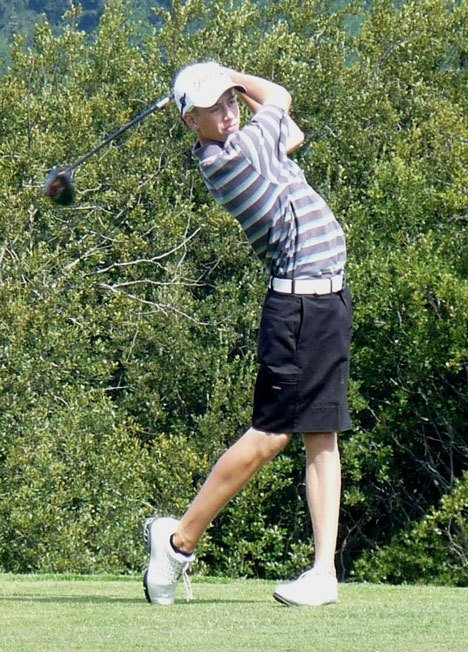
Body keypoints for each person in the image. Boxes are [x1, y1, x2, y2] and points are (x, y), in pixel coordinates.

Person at [142, 61, 352, 607]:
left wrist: (221, 82)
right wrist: (228, 70)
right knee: (270, 436)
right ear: (192, 123)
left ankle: (323, 576)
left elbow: (291, 131)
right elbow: (281, 98)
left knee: (321, 435)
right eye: (214, 107)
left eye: (232, 100)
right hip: (299, 306)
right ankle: (178, 541)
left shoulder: (251, 145)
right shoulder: (230, 157)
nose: (229, 111)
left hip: (326, 299)